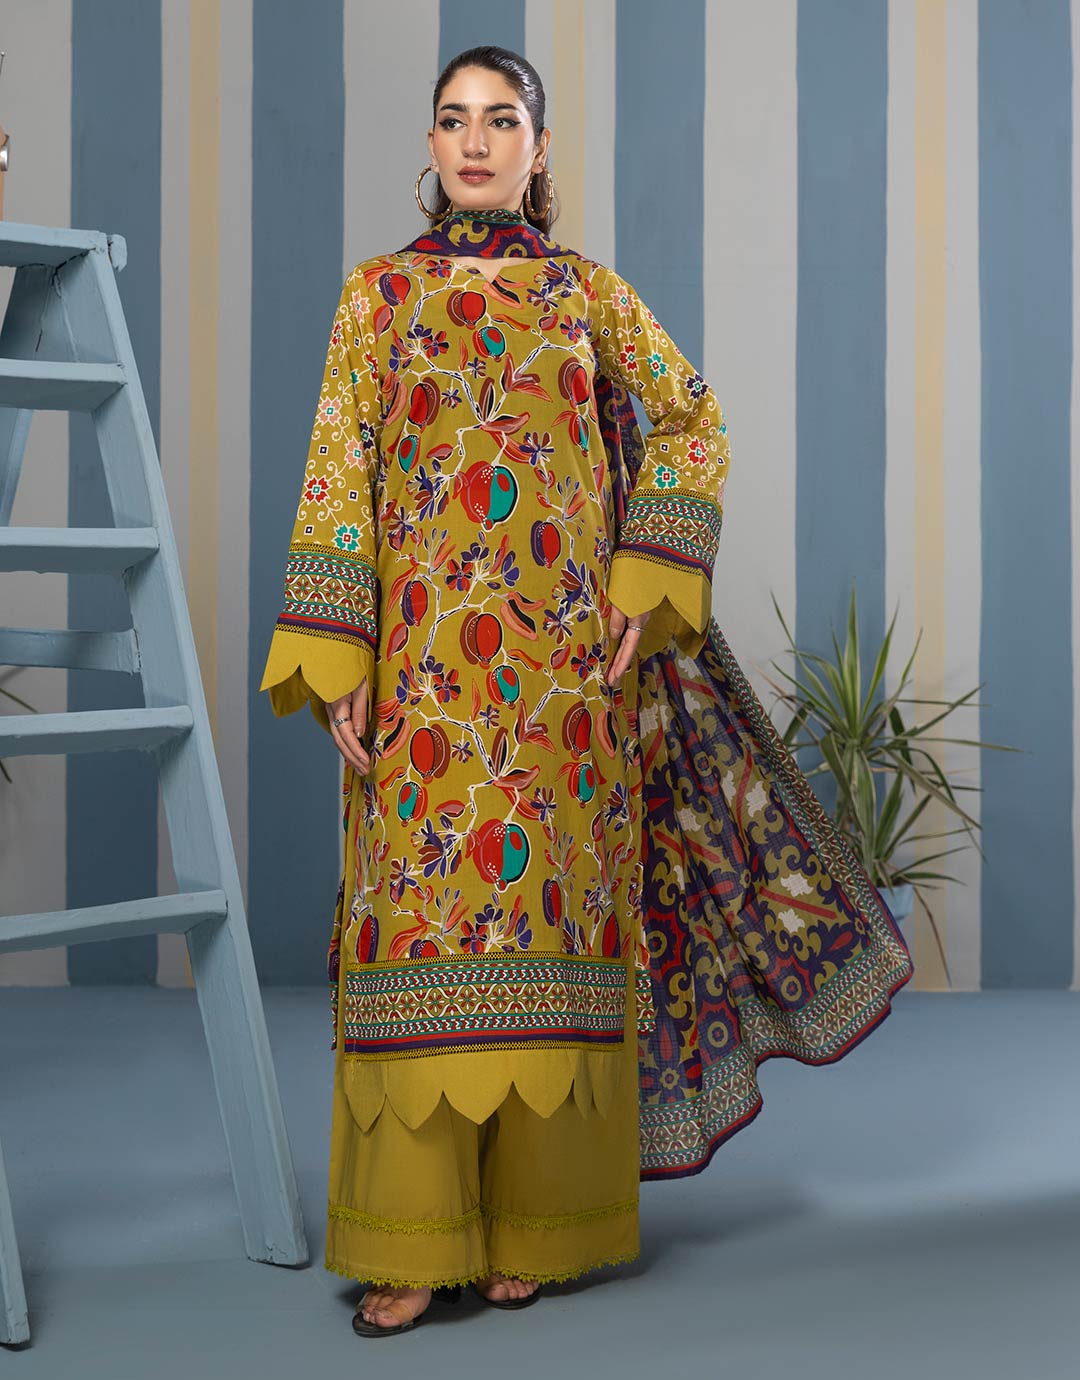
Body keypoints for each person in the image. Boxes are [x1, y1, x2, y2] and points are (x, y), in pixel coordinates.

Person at [259, 45, 914, 1339]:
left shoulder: (585, 297)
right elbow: (338, 467)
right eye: (454, 120)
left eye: (501, 119)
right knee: (417, 936)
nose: (476, 141)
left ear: (539, 147)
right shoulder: (375, 298)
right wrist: (337, 652)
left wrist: (641, 583)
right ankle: (412, 1243)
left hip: (563, 685)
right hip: (423, 685)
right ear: (431, 144)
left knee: (551, 939)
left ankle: (542, 1232)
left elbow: (692, 421)